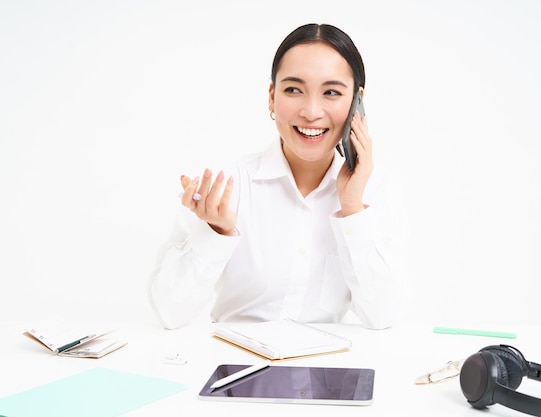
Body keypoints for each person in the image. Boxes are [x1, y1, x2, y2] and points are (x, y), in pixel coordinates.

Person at [148, 23, 409, 330]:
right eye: (293, 90)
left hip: (325, 373)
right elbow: (169, 313)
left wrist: (352, 210)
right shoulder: (226, 187)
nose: (311, 111)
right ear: (272, 96)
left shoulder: (377, 190)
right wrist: (215, 233)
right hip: (234, 368)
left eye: (332, 92)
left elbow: (384, 317)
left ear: (357, 103)